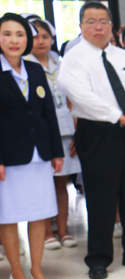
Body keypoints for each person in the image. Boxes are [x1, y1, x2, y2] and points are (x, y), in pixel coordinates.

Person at [58, 3, 125, 279]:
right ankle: (98, 258)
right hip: (98, 131)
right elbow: (80, 94)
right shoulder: (74, 58)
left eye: (103, 21)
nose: (98, 27)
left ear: (112, 26)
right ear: (82, 26)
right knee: (101, 197)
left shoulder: (124, 56)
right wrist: (117, 115)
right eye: (91, 21)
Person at [0, 13, 64, 279]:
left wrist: (56, 151)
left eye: (20, 34)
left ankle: (36, 268)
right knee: (10, 215)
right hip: (9, 156)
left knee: (39, 213)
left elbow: (48, 112)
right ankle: (17, 273)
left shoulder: (35, 69)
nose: (14, 40)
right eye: (7, 34)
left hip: (39, 154)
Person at [26, 18, 81, 250]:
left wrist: (77, 131)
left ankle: (64, 229)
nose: (41, 41)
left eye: (46, 37)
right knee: (42, 184)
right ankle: (47, 232)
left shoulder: (61, 63)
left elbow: (73, 99)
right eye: (36, 36)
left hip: (66, 130)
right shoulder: (24, 65)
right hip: (39, 133)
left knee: (61, 183)